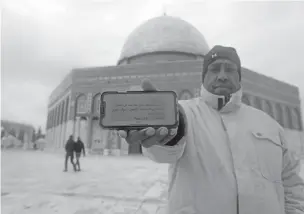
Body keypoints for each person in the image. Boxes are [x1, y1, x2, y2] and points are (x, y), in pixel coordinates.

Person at [119, 45, 304, 214]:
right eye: (214, 69)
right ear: (203, 77)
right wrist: (166, 137)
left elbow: (291, 183)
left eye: (230, 69)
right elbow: (168, 148)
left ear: (239, 77)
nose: (222, 76)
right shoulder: (183, 113)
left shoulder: (268, 124)